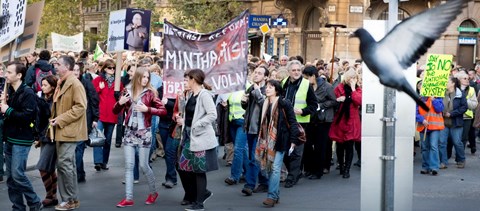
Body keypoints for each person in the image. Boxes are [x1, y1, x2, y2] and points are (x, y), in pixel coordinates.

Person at [113, 67, 166, 207]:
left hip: (144, 132)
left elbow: (163, 111)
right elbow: (115, 110)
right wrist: (120, 103)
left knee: (143, 165)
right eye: (143, 77)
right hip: (130, 131)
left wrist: (147, 109)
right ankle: (128, 198)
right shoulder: (127, 91)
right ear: (137, 77)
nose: (145, 79)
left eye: (147, 77)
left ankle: (153, 192)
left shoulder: (151, 93)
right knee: (129, 166)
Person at [1, 61, 42, 211]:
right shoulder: (9, 90)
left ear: (19, 75)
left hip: (22, 139)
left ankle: (34, 202)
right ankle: (18, 207)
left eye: (9, 72)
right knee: (11, 178)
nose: (6, 75)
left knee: (18, 174)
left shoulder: (27, 92)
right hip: (10, 137)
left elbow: (27, 116)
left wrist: (8, 110)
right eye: (6, 72)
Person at [176, 69, 218, 211]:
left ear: (193, 80)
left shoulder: (204, 95)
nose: (184, 82)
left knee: (199, 170)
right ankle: (201, 193)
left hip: (200, 137)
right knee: (182, 166)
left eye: (186, 79)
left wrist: (197, 124)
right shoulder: (190, 95)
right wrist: (183, 121)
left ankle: (199, 203)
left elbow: (212, 114)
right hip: (188, 136)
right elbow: (190, 115)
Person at [50, 55, 88, 210]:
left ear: (66, 66)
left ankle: (69, 200)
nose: (55, 66)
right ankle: (71, 199)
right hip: (62, 129)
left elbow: (80, 107)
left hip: (68, 130)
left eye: (58, 64)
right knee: (67, 165)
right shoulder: (63, 82)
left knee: (65, 165)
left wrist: (60, 119)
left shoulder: (75, 84)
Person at [255, 80, 300, 207]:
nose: (267, 89)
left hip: (281, 140)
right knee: (269, 168)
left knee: (275, 168)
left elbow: (292, 122)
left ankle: (271, 196)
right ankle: (276, 194)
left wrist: (293, 140)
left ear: (277, 90)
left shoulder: (284, 103)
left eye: (270, 87)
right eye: (267, 87)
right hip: (266, 141)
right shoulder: (264, 103)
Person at [281, 60, 318, 188]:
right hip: (285, 121)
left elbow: (314, 105)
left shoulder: (306, 84)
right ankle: (295, 172)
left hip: (300, 122)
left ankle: (292, 177)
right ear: (289, 72)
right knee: (285, 150)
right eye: (294, 70)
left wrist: (303, 111)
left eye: (298, 70)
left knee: (297, 151)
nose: (296, 72)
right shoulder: (284, 82)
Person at [302, 66, 337, 178]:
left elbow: (334, 101)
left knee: (320, 146)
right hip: (311, 119)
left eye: (307, 78)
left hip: (324, 119)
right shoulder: (307, 87)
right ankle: (309, 168)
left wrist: (320, 105)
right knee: (308, 144)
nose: (305, 80)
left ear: (313, 76)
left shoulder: (327, 86)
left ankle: (318, 171)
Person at [328, 69, 362, 179]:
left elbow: (359, 102)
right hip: (340, 120)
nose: (352, 80)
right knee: (339, 145)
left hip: (352, 120)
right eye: (350, 78)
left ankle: (347, 169)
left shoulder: (358, 90)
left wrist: (353, 90)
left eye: (354, 78)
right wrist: (338, 99)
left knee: (349, 146)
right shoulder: (339, 88)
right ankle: (341, 165)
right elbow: (333, 101)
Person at [240, 66, 268, 195]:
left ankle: (249, 185)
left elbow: (265, 106)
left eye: (259, 73)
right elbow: (247, 108)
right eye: (255, 72)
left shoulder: (267, 89)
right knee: (254, 156)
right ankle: (264, 183)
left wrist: (257, 92)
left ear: (265, 77)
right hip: (250, 127)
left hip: (260, 128)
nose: (256, 75)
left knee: (254, 157)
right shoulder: (251, 88)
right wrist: (243, 101)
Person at [92, 59, 123, 171]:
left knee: (108, 140)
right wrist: (98, 89)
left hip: (112, 114)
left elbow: (122, 98)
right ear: (104, 68)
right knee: (98, 139)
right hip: (100, 114)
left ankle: (104, 162)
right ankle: (98, 161)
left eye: (114, 68)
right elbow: (92, 95)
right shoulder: (98, 80)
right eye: (110, 68)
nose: (112, 70)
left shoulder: (118, 82)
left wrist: (119, 96)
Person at [73, 62, 99, 183]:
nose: (75, 72)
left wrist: (95, 118)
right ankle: (80, 173)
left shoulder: (86, 83)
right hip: (71, 120)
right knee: (74, 149)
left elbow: (94, 100)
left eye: (77, 69)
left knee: (79, 147)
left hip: (84, 119)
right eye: (73, 69)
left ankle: (78, 174)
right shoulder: (66, 83)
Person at [35, 75, 58, 207]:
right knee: (49, 169)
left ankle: (50, 195)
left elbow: (49, 116)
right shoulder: (44, 98)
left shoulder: (54, 100)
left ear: (53, 87)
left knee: (43, 167)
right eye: (42, 85)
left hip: (51, 137)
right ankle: (52, 196)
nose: (42, 87)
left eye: (45, 85)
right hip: (44, 136)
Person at [439, 76, 467, 170]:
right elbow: (438, 105)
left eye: (447, 81)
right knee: (442, 142)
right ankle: (443, 162)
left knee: (457, 142)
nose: (445, 83)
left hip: (456, 123)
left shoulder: (460, 94)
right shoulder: (442, 93)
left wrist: (451, 114)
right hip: (443, 122)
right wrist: (442, 112)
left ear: (453, 83)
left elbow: (464, 107)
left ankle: (461, 160)